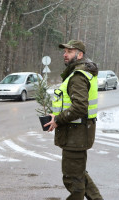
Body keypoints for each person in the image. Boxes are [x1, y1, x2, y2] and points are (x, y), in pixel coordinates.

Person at [44, 40, 104, 200]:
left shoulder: (78, 75)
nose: (65, 54)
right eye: (65, 51)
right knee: (80, 175)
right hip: (78, 134)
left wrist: (58, 119)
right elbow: (72, 104)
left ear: (80, 55)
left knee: (73, 180)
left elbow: (79, 107)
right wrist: (55, 115)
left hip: (75, 135)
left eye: (69, 51)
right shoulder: (81, 72)